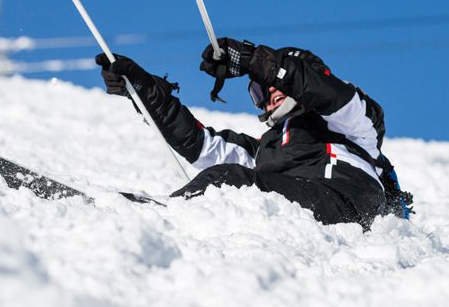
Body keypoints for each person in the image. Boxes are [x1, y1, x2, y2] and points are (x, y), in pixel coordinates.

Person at [95, 38, 412, 229]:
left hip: (347, 203)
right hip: (291, 202)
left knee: (229, 180)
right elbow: (202, 146)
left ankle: (166, 220)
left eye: (273, 85)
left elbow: (325, 92)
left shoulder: (351, 123)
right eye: (259, 91)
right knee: (226, 177)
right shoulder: (264, 148)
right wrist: (147, 93)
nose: (269, 96)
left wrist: (253, 62)